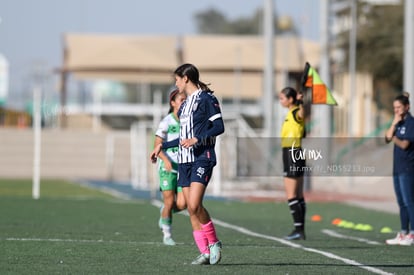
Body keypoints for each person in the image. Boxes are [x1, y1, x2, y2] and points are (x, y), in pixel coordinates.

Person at [150, 63, 225, 264]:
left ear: (185, 78)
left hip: (202, 157)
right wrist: (162, 146)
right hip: (184, 162)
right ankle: (205, 252)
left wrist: (198, 139)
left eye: (177, 79)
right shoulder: (184, 105)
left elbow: (219, 127)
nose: (175, 83)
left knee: (193, 204)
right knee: (191, 209)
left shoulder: (207, 99)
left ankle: (214, 243)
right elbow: (183, 137)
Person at [154, 89, 187, 246]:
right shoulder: (167, 122)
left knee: (183, 204)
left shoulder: (189, 121)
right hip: (167, 169)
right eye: (181, 100)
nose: (184, 102)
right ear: (173, 103)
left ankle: (164, 214)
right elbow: (157, 146)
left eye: (185, 100)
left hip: (183, 168)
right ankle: (167, 234)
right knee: (169, 201)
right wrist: (165, 160)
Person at [385, 92, 414, 246]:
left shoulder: (411, 123)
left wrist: (392, 137)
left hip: (408, 168)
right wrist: (394, 124)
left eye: (399, 107)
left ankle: (413, 234)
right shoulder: (398, 123)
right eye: (394, 108)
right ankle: (403, 232)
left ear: (407, 107)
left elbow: (404, 144)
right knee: (401, 202)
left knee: (410, 201)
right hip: (397, 168)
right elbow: (385, 138)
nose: (396, 110)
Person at [278, 86, 306, 240]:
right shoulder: (290, 112)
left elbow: (302, 114)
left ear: (290, 99)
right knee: (299, 195)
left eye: (282, 98)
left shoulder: (296, 111)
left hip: (292, 153)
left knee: (292, 195)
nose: (280, 101)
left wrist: (301, 101)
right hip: (293, 153)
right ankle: (300, 230)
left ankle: (299, 229)